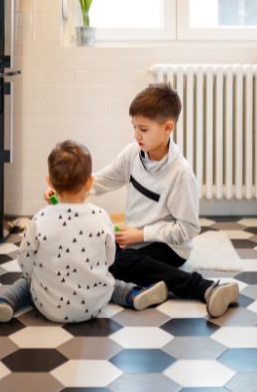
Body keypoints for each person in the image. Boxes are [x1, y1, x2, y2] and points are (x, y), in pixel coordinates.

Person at [46, 83, 239, 317]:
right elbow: (100, 181)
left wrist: (142, 234)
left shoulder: (181, 174)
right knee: (95, 249)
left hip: (169, 248)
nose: (137, 134)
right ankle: (146, 289)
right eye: (134, 127)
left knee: (120, 262)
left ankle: (205, 288)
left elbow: (187, 230)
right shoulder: (132, 154)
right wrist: (63, 189)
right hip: (136, 241)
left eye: (144, 129)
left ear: (168, 127)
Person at [0, 140, 167, 324]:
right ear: (89, 182)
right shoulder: (102, 217)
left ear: (49, 182)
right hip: (94, 305)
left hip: (50, 307)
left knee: (26, 281)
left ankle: (4, 302)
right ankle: (132, 294)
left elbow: (25, 262)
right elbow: (109, 259)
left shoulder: (40, 219)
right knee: (106, 279)